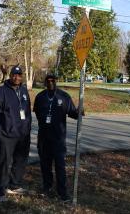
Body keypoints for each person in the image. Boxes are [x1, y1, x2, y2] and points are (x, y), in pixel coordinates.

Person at [33, 74, 80, 202]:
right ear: (45, 82)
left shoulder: (64, 96)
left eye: (52, 80)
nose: (50, 82)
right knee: (45, 165)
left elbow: (72, 113)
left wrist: (79, 112)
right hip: (43, 138)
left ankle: (62, 192)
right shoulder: (40, 97)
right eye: (47, 81)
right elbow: (37, 112)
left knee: (60, 166)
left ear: (56, 81)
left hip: (58, 138)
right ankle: (47, 187)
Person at [0, 66, 32, 202]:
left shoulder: (24, 90)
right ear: (10, 75)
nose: (17, 77)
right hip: (7, 136)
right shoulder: (1, 92)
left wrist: (28, 128)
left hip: (23, 135)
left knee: (20, 161)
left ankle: (14, 185)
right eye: (14, 74)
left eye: (19, 75)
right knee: (4, 164)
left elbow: (28, 111)